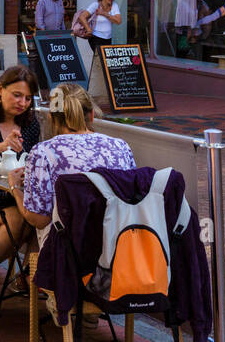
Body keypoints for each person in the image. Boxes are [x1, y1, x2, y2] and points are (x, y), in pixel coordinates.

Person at [10, 84, 135, 252]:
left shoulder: (43, 152)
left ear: (52, 118)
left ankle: (33, 276)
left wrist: (15, 187)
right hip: (118, 245)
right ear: (91, 115)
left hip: (68, 252)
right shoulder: (120, 147)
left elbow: (39, 219)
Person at [0, 65, 42, 266]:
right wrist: (0, 146)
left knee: (42, 215)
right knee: (19, 221)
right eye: (17, 95)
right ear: (0, 89)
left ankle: (31, 275)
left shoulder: (30, 123)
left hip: (18, 192)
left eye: (28, 98)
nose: (22, 103)